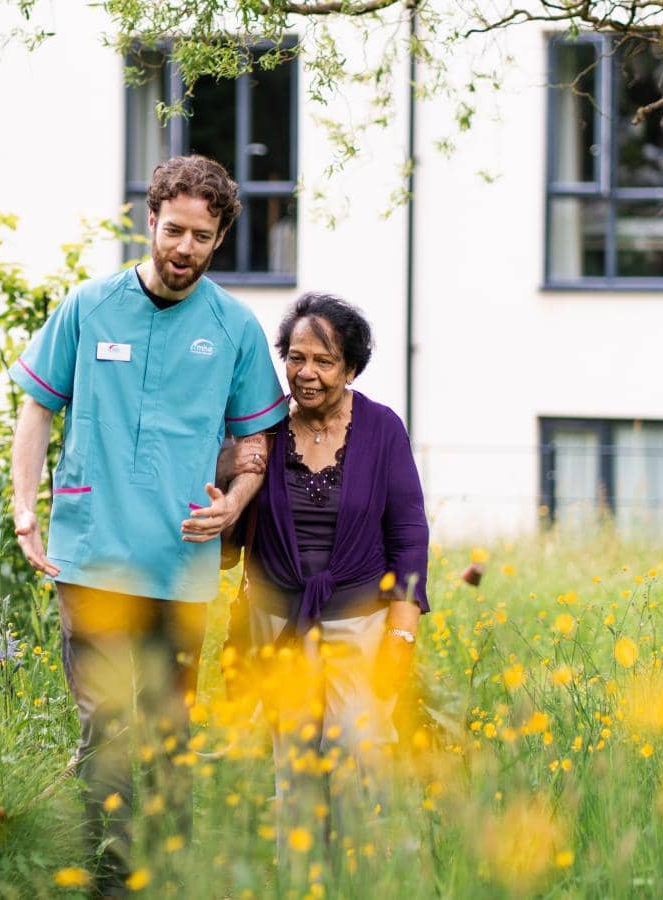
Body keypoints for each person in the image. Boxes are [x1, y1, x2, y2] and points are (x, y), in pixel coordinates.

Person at [8, 154, 287, 896]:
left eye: (200, 235)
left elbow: (256, 441)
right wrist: (23, 508)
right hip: (91, 548)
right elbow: (38, 408)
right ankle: (106, 871)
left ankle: (168, 867)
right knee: (106, 718)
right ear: (150, 222)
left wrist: (235, 502)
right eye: (172, 230)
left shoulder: (235, 328)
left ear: (219, 236)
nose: (183, 248)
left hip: (180, 562)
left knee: (169, 724)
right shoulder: (88, 307)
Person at [231, 291, 430, 868]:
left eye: (323, 361)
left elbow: (410, 532)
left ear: (351, 368)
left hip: (360, 620)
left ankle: (361, 877)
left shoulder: (381, 428)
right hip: (278, 623)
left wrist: (402, 628)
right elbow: (232, 515)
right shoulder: (263, 427)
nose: (306, 374)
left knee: (360, 755)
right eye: (295, 358)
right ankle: (299, 880)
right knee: (292, 762)